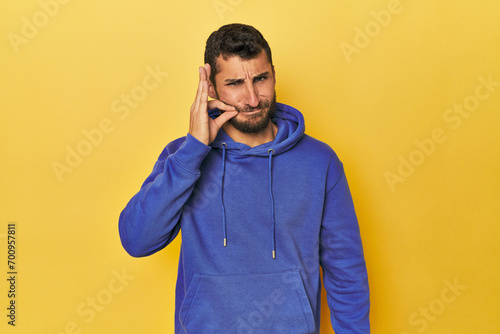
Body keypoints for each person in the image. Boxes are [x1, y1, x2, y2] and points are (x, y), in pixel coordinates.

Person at [119, 23, 370, 333]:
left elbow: (345, 270)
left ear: (274, 74)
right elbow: (137, 240)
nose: (252, 99)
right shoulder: (182, 157)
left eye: (261, 79)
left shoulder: (319, 161)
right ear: (210, 89)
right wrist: (193, 152)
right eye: (235, 83)